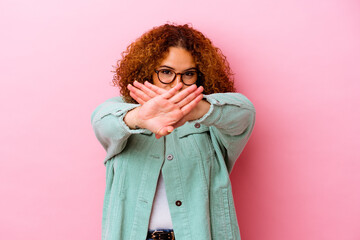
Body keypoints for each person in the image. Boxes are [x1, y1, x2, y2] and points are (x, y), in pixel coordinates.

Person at [91, 23, 256, 240]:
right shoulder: (120, 113)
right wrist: (140, 117)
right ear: (148, 70)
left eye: (188, 74)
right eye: (166, 72)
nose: (177, 85)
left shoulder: (212, 123)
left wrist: (194, 109)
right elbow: (102, 121)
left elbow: (244, 112)